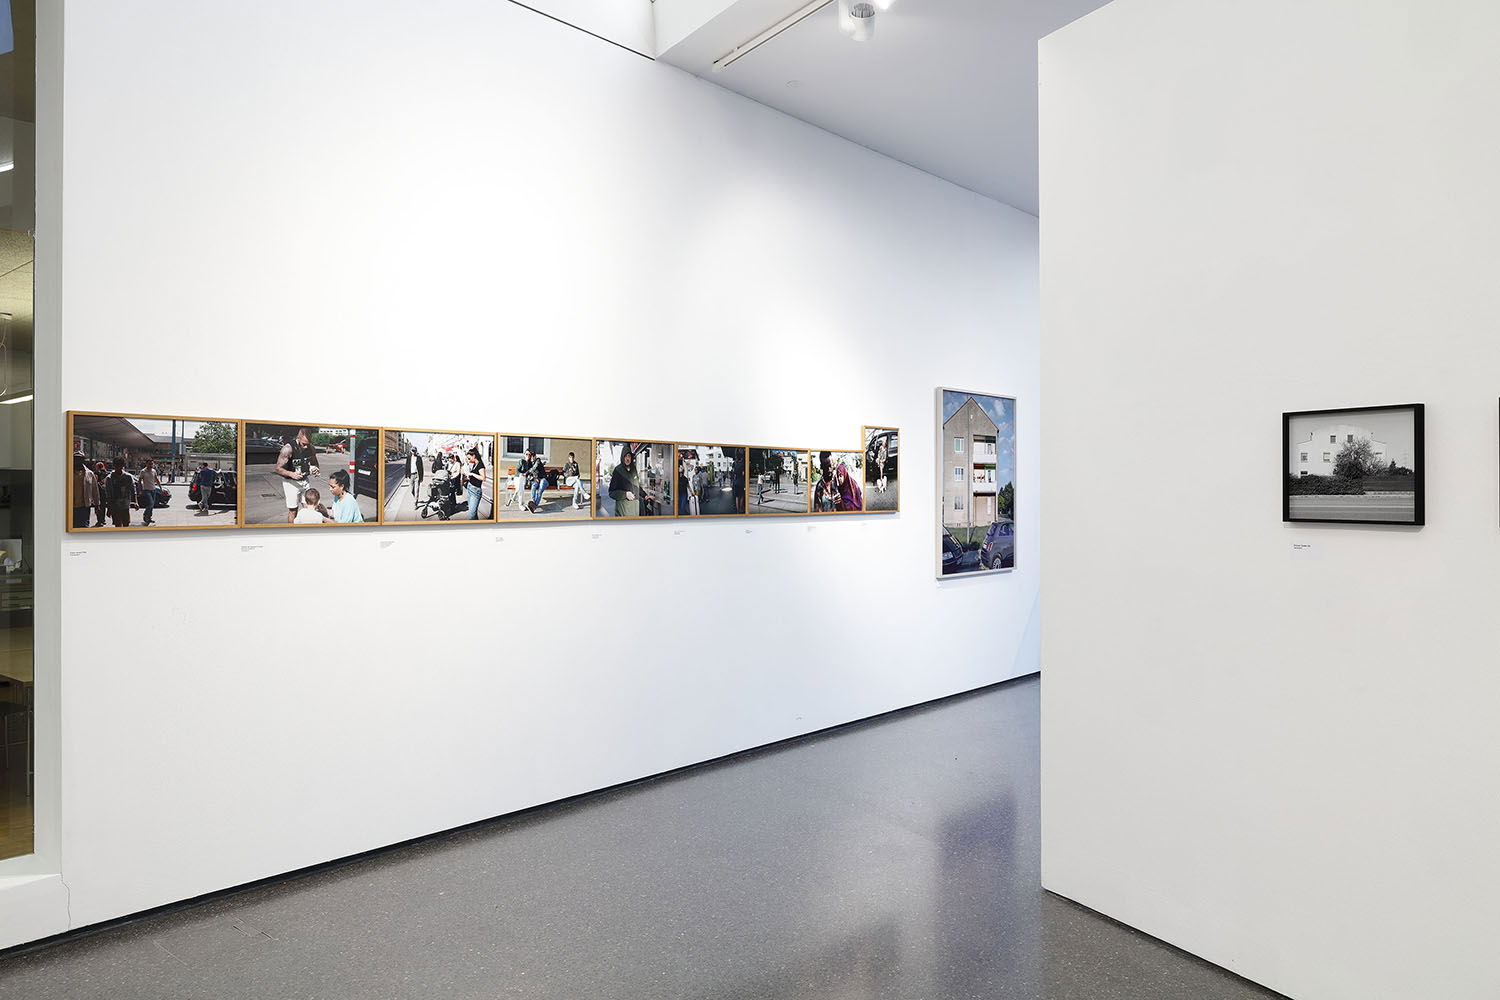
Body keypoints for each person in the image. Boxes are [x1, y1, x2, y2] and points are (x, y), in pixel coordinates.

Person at [273, 428, 320, 524]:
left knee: (309, 508)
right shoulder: (288, 449)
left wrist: (316, 469)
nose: (306, 447)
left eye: (308, 444)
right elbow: (278, 469)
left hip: (304, 481)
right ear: (298, 439)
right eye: (304, 444)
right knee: (293, 510)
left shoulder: (310, 448)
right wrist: (291, 474)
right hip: (291, 483)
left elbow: (315, 463)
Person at [608, 446, 641, 517]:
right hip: (623, 513)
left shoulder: (634, 469)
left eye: (629, 456)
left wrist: (645, 495)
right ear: (622, 458)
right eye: (625, 456)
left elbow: (637, 486)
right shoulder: (618, 470)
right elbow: (611, 493)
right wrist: (625, 494)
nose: (627, 458)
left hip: (635, 512)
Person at [103, 457, 134, 527]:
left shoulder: (128, 477)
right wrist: (109, 508)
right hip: (115, 506)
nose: (119, 468)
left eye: (120, 465)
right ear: (114, 466)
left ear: (123, 465)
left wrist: (135, 502)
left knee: (126, 524)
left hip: (125, 505)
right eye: (117, 466)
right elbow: (108, 494)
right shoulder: (109, 478)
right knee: (118, 525)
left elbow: (132, 489)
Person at [72, 453, 99, 529]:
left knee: (84, 527)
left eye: (79, 459)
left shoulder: (89, 473)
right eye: (75, 459)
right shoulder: (66, 472)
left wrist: (97, 505)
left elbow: (95, 490)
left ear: (83, 460)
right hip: (70, 507)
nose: (77, 461)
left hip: (84, 507)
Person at [463, 446, 486, 520]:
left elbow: (483, 478)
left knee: (471, 515)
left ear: (474, 456)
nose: (468, 460)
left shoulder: (480, 465)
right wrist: (469, 476)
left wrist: (472, 474)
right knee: (473, 513)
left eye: (469, 458)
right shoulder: (475, 464)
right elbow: (476, 476)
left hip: (475, 491)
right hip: (470, 488)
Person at [138, 458, 160, 526]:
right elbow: (139, 481)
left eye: (152, 464)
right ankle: (145, 516)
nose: (151, 465)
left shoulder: (154, 471)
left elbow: (156, 479)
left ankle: (149, 517)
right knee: (150, 503)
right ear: (146, 464)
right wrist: (140, 490)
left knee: (152, 505)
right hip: (146, 490)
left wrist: (160, 487)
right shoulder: (143, 471)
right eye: (149, 464)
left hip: (153, 489)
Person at [93, 461, 109, 526]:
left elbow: (95, 481)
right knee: (103, 506)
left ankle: (99, 521)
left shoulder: (96, 473)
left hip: (98, 491)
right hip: (104, 492)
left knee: (97, 506)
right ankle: (103, 520)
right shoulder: (106, 473)